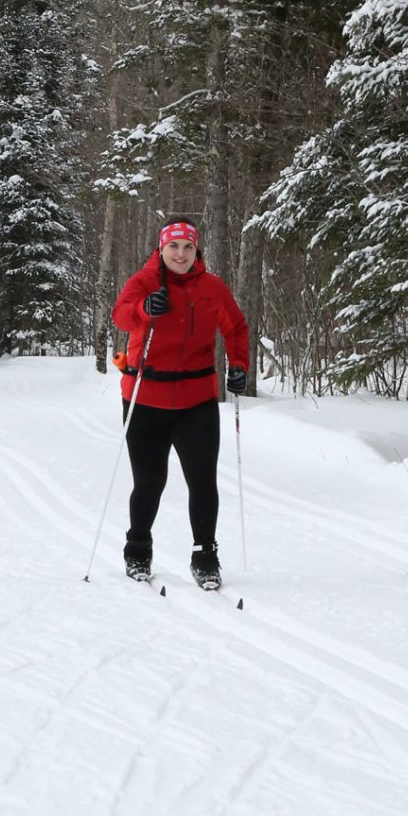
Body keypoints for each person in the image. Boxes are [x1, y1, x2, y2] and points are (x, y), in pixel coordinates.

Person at [112, 216, 250, 590]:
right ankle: (137, 548)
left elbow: (236, 328)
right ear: (161, 248)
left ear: (196, 250)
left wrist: (237, 365)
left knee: (202, 481)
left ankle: (205, 556)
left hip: (197, 399)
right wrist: (144, 308)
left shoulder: (211, 287)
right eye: (173, 246)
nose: (180, 254)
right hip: (145, 398)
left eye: (188, 247)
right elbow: (121, 316)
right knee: (150, 481)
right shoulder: (143, 282)